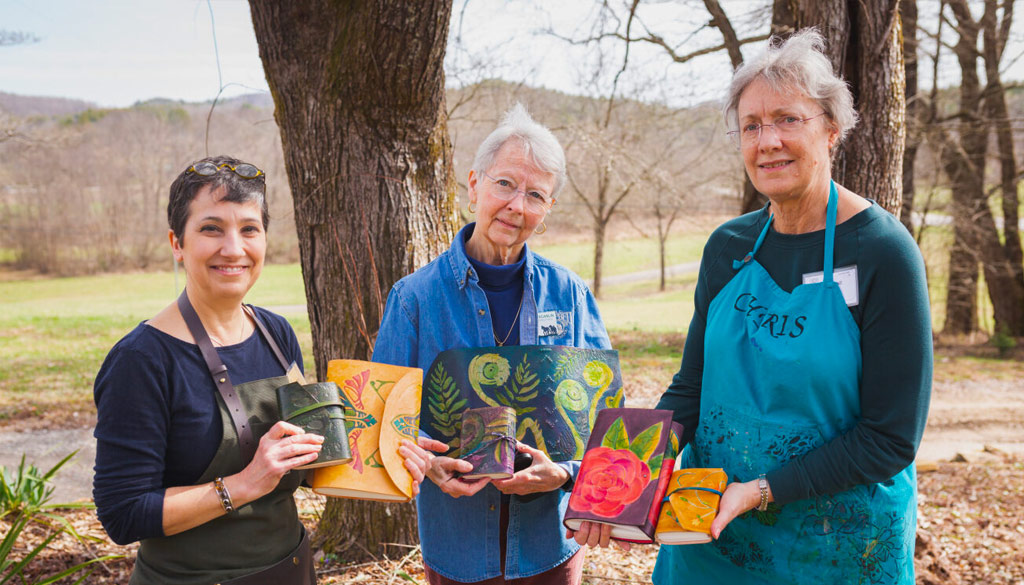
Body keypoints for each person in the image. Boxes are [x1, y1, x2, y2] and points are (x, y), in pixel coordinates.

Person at [642, 30, 930, 583]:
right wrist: (625, 477)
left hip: (835, 550)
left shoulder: (883, 253)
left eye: (787, 119)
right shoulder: (727, 248)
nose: (767, 140)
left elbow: (890, 437)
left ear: (832, 130)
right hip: (712, 538)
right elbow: (691, 388)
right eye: (751, 126)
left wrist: (762, 491)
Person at [93, 156, 427, 584]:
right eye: (211, 228)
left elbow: (306, 462)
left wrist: (391, 453)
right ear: (177, 243)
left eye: (249, 229)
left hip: (290, 568)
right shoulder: (142, 361)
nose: (234, 248)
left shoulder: (275, 332)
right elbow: (123, 514)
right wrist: (244, 483)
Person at [376, 104, 611, 585]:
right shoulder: (414, 299)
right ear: (474, 185)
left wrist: (566, 473)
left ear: (546, 212)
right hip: (456, 546)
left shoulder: (570, 294)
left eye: (535, 195)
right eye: (505, 184)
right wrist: (429, 463)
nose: (516, 205)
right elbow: (382, 423)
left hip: (549, 547)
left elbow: (605, 418)